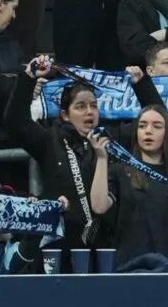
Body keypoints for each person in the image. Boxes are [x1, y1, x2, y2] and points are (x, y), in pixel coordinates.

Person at [7, 55, 108, 252]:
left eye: (93, 106)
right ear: (64, 115)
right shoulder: (50, 141)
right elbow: (15, 122)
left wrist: (141, 85)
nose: (89, 112)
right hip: (56, 245)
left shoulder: (108, 143)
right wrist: (28, 78)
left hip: (100, 243)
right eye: (80, 106)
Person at [89, 104, 168, 268]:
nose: (148, 131)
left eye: (157, 126)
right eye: (142, 125)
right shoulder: (120, 171)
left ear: (167, 134)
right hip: (130, 267)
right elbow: (99, 206)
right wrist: (102, 159)